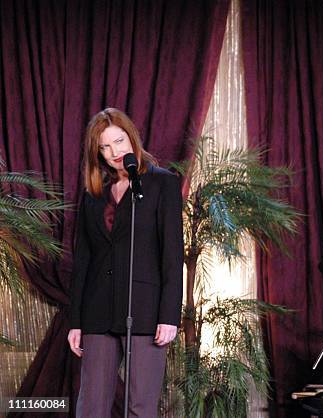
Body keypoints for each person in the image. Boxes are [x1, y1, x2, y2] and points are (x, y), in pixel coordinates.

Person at [67, 108, 183, 417]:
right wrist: (76, 320)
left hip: (145, 309)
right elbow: (84, 259)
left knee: (141, 407)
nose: (114, 152)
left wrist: (169, 315)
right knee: (91, 407)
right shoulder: (93, 193)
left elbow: (172, 253)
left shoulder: (162, 184)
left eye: (118, 141)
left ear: (131, 137)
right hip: (98, 311)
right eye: (104, 147)